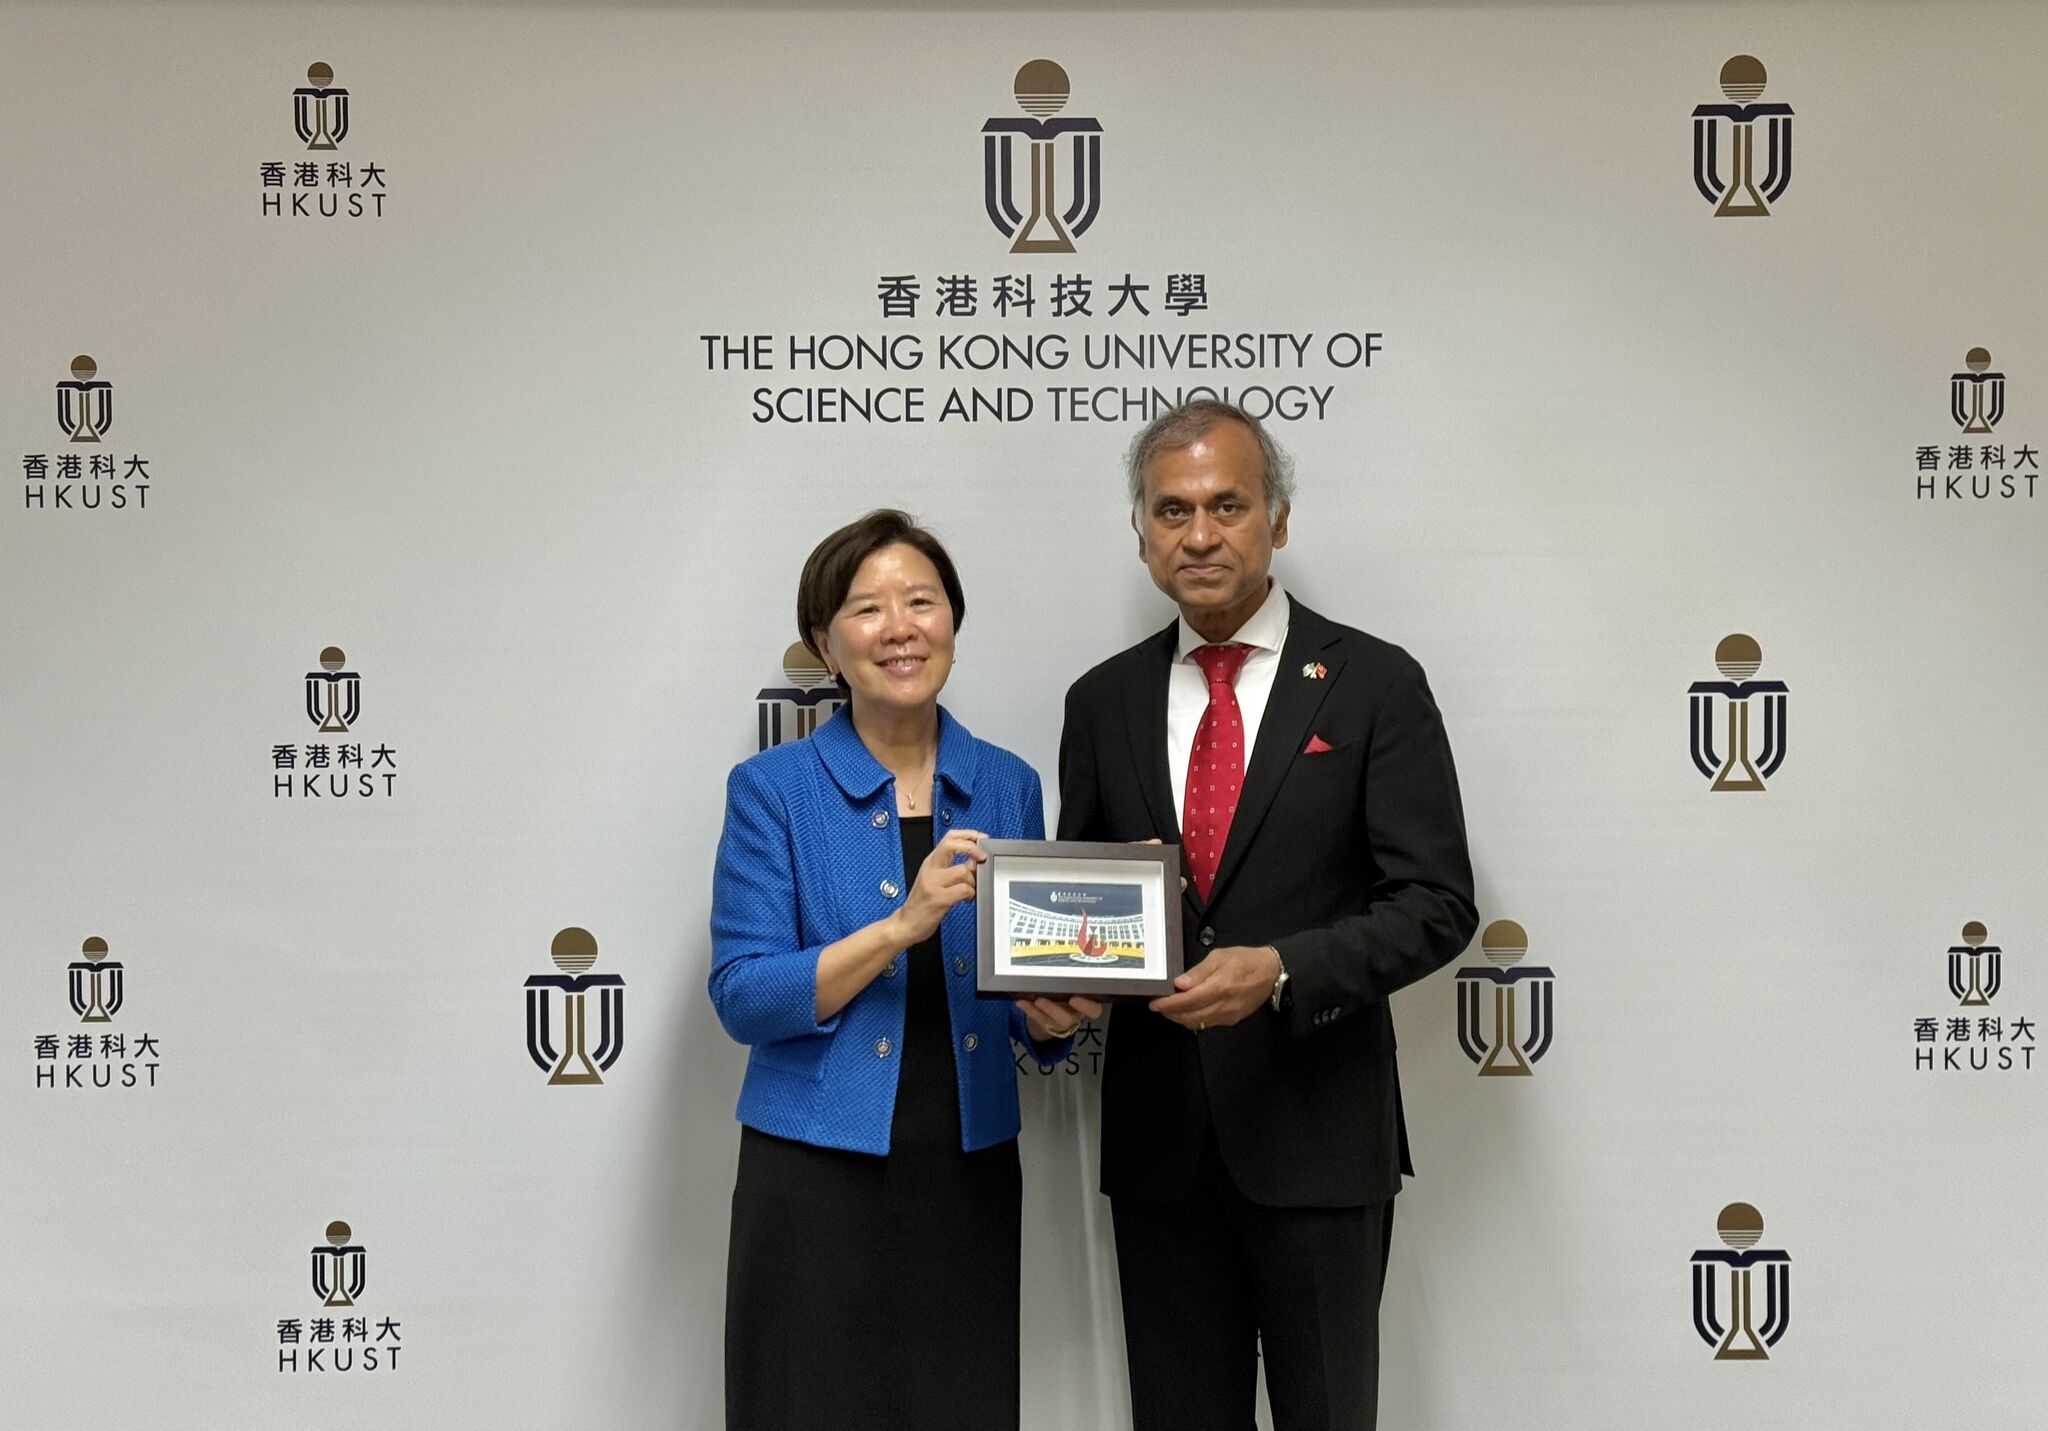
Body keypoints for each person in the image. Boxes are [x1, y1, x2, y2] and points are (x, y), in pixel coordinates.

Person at [1057, 403, 1478, 1431]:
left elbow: (1434, 902)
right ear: (1140, 534)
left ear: (1276, 520)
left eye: (1226, 505)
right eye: (1171, 510)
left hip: (1318, 1137)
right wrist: (1056, 988)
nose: (1198, 534)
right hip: (1160, 1151)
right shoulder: (1100, 701)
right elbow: (1081, 901)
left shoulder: (1374, 682)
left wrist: (1281, 970)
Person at [709, 509, 1098, 1431]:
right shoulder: (773, 790)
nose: (900, 627)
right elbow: (745, 995)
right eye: (867, 608)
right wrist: (901, 925)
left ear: (952, 624)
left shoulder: (1005, 783)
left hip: (964, 1169)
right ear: (825, 645)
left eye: (921, 601)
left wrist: (1047, 1021)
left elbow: (1015, 985)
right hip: (813, 1170)